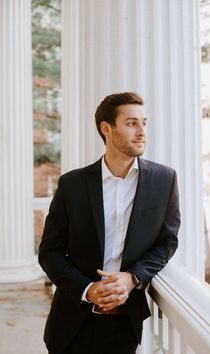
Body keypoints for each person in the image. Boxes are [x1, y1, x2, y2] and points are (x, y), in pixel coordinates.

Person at [38, 92, 181, 354]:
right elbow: (50, 252)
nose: (141, 132)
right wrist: (87, 289)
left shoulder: (164, 180)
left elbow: (167, 241)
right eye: (131, 123)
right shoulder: (72, 185)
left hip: (125, 323)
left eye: (144, 123)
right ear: (107, 129)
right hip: (71, 322)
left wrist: (133, 278)